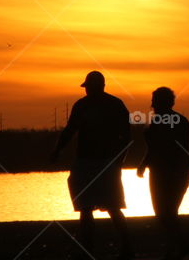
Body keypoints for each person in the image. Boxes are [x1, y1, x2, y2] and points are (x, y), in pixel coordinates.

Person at [50, 71, 132, 259]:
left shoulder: (112, 105)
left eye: (88, 87)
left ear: (99, 86)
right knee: (89, 207)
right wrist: (58, 149)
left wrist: (119, 159)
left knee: (108, 206)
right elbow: (71, 130)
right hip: (88, 162)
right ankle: (90, 249)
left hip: (103, 162)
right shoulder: (87, 105)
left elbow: (125, 136)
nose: (86, 90)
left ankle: (123, 248)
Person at [137, 86, 189, 260]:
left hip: (175, 170)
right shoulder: (156, 120)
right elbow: (153, 147)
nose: (151, 104)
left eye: (154, 100)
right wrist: (144, 164)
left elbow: (180, 148)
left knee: (167, 211)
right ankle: (178, 245)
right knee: (162, 212)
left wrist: (175, 170)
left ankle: (178, 246)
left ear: (163, 102)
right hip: (159, 170)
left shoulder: (179, 121)